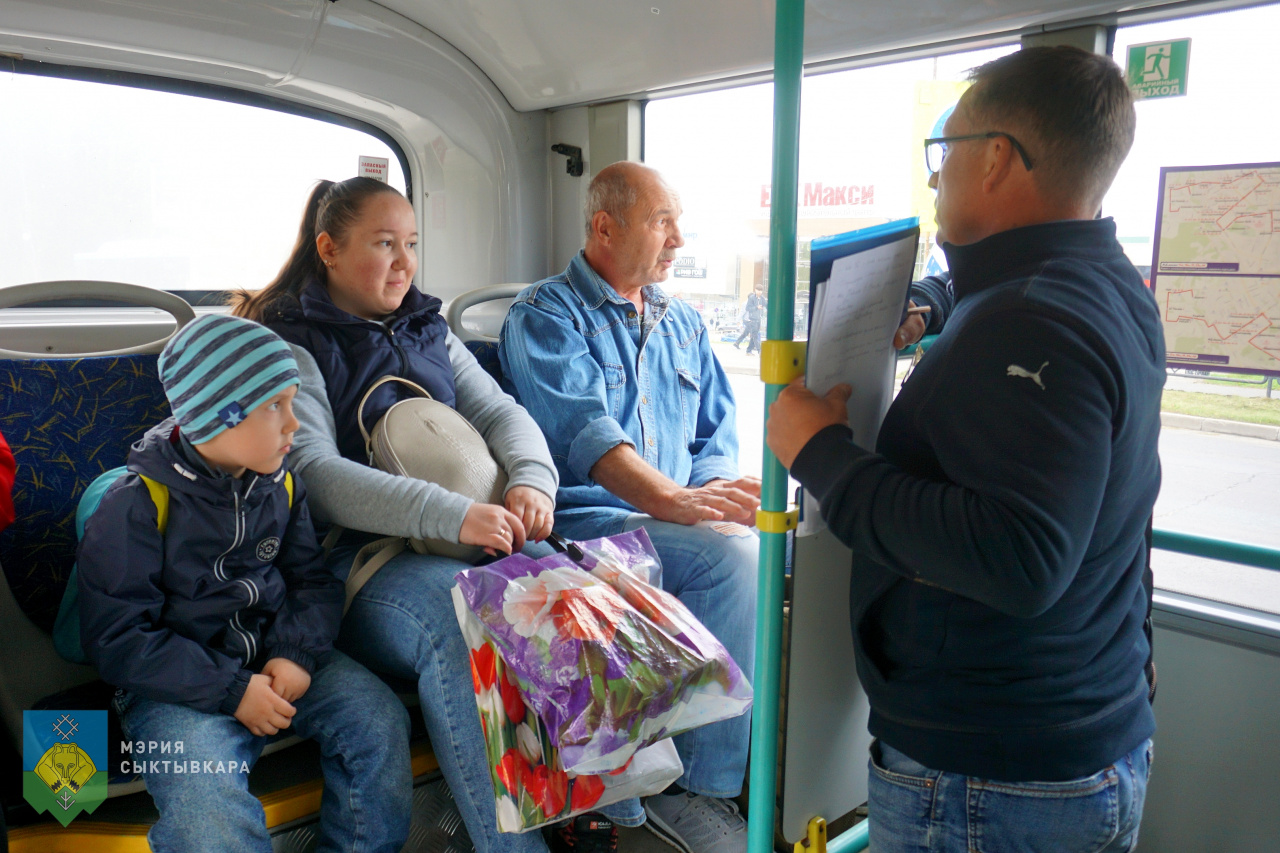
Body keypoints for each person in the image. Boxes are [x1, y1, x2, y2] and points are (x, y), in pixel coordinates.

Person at [767, 46, 1160, 852]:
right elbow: (984, 292)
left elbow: (1021, 557)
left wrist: (821, 453)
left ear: (995, 159)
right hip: (1076, 732)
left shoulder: (1029, 320)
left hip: (988, 780)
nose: (937, 175)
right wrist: (927, 300)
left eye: (944, 151)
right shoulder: (1105, 284)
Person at [234, 177, 560, 853]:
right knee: (460, 616)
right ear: (329, 249)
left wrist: (532, 479)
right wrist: (454, 514)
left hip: (452, 536)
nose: (405, 263)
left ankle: (602, 816)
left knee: (565, 588)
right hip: (350, 561)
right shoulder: (291, 343)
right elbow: (314, 472)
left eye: (411, 244)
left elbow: (499, 411)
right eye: (384, 244)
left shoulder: (426, 329)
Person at [77, 314, 412, 853]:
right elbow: (119, 639)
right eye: (275, 406)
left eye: (292, 402)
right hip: (175, 686)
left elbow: (310, 580)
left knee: (379, 722)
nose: (294, 424)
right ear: (217, 418)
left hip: (275, 656)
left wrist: (295, 653)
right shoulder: (135, 507)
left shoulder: (280, 484)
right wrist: (232, 690)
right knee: (206, 811)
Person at [499, 161, 760, 853]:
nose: (678, 239)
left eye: (678, 222)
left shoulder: (685, 323)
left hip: (664, 517)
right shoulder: (545, 314)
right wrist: (677, 502)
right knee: (732, 561)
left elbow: (713, 438)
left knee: (763, 541)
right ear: (605, 227)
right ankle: (700, 792)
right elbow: (587, 437)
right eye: (661, 221)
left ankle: (732, 780)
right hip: (584, 520)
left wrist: (713, 498)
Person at [733, 283, 765, 354]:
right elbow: (742, 312)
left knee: (746, 333)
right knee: (754, 334)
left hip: (752, 320)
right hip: (748, 321)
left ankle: (738, 343)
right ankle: (754, 348)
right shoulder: (746, 304)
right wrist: (738, 321)